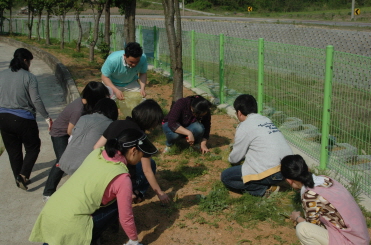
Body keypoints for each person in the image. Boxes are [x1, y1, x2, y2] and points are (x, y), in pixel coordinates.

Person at [29, 128, 156, 245]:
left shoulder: (98, 153)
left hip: (51, 211)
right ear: (133, 151)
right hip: (71, 225)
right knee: (118, 204)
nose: (141, 159)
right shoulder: (122, 178)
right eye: (142, 154)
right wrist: (134, 241)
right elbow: (126, 217)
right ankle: (89, 237)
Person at [281, 154, 370, 245]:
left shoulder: (310, 195)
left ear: (288, 180)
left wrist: (297, 218)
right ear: (308, 169)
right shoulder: (326, 179)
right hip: (360, 237)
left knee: (303, 229)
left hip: (350, 241)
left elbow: (312, 226)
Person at [42, 81, 110, 201]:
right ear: (96, 98)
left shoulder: (87, 103)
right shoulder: (78, 109)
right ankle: (48, 192)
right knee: (62, 161)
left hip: (72, 131)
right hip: (60, 134)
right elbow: (70, 131)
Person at [94, 99, 170, 204]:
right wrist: (160, 193)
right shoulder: (140, 137)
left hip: (103, 174)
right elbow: (147, 171)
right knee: (150, 164)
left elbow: (96, 147)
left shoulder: (116, 123)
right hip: (122, 179)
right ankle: (137, 192)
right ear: (150, 121)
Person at [0, 48, 52, 191]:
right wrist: (47, 117)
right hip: (23, 119)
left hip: (3, 118)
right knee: (33, 147)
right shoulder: (28, 77)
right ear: (25, 61)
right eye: (29, 62)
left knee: (13, 151)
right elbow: (35, 100)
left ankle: (17, 177)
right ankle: (23, 175)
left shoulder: (1, 74)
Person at [221, 94, 292, 197]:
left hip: (273, 172)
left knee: (226, 176)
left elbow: (235, 158)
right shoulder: (266, 120)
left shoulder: (244, 126)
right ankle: (274, 181)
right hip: (288, 168)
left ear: (239, 113)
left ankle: (265, 189)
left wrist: (230, 158)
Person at [57, 98, 118, 176]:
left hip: (64, 162)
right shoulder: (110, 124)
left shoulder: (83, 118)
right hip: (82, 167)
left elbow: (73, 134)